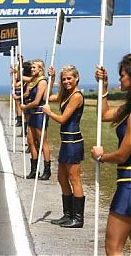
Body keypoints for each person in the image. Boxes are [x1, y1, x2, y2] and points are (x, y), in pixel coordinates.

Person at [91, 53, 131, 256]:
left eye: (122, 74)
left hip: (129, 185)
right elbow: (104, 115)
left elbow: (123, 154)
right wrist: (104, 87)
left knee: (113, 248)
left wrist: (101, 156)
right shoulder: (127, 108)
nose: (120, 78)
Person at [42, 65, 85, 228]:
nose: (66, 81)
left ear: (77, 78)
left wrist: (49, 113)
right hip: (65, 142)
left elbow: (63, 119)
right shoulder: (66, 94)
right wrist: (51, 79)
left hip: (73, 141)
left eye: (69, 78)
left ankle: (78, 218)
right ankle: (68, 214)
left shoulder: (76, 96)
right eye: (64, 79)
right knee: (61, 177)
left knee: (74, 178)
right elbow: (47, 96)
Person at [21, 59, 51, 180]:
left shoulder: (42, 81)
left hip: (39, 113)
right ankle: (34, 170)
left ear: (41, 69)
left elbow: (37, 101)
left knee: (42, 142)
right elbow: (23, 78)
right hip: (33, 114)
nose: (32, 69)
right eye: (32, 67)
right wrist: (18, 67)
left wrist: (25, 106)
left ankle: (47, 170)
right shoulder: (33, 80)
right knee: (31, 140)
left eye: (35, 67)